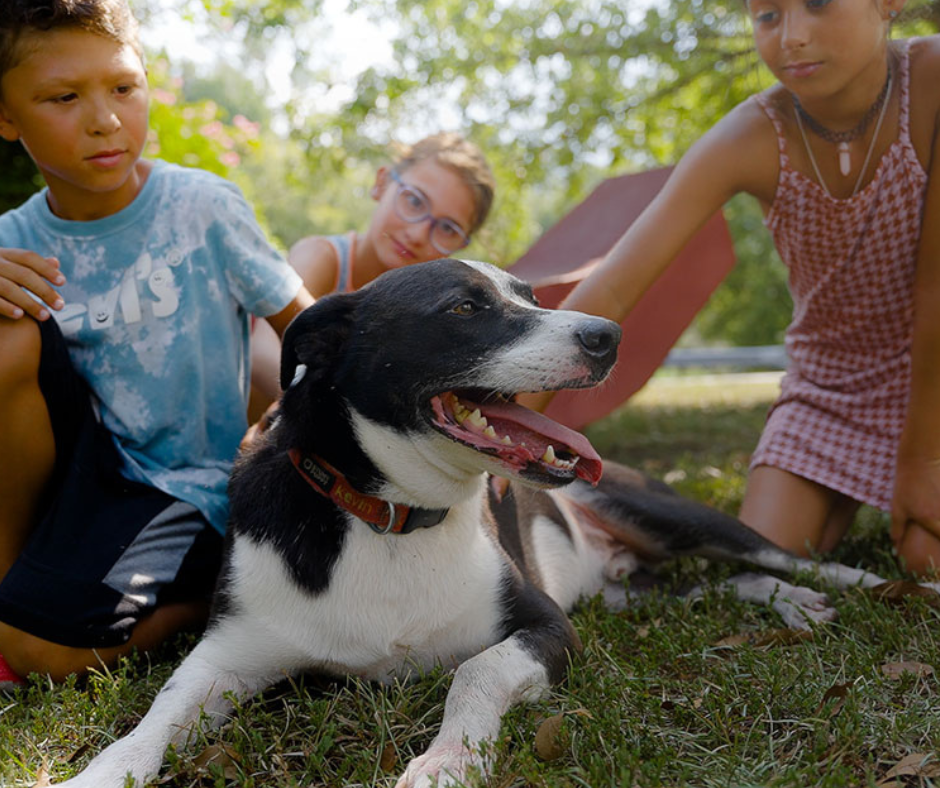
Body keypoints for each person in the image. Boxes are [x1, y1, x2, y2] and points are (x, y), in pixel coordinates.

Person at [527, 0, 940, 574]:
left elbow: (935, 292)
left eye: (817, 5)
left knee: (927, 558)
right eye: (767, 15)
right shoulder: (751, 135)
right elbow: (614, 290)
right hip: (832, 387)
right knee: (764, 559)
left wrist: (923, 461)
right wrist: (504, 439)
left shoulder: (931, 81)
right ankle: (842, 485)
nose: (791, 37)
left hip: (935, 374)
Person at [0, 0, 314, 687]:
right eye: (64, 97)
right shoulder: (12, 241)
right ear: (6, 117)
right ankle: (10, 577)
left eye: (122, 87)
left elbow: (312, 333)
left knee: (38, 653)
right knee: (4, 328)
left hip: (178, 485)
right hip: (72, 476)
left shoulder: (201, 208)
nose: (105, 119)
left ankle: (214, 599)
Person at [248, 132, 495, 421]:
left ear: (461, 245)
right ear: (382, 183)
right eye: (414, 201)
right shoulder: (324, 258)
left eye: (447, 228)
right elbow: (262, 348)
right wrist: (320, 403)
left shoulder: (430, 318)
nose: (417, 235)